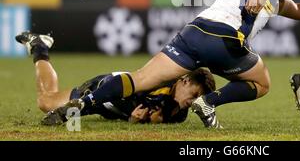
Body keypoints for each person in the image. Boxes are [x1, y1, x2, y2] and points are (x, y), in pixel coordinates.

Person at [38, 0, 300, 128]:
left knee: (139, 79)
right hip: (226, 39)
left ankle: (82, 104)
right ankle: (209, 103)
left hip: (195, 33)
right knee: (262, 84)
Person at [15, 31, 216, 125]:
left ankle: (40, 44)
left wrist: (135, 120)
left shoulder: (178, 114)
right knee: (46, 102)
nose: (192, 101)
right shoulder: (164, 79)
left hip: (114, 107)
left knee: (49, 102)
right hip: (106, 91)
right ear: (185, 80)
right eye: (195, 94)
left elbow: (152, 118)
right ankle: (40, 46)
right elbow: (126, 82)